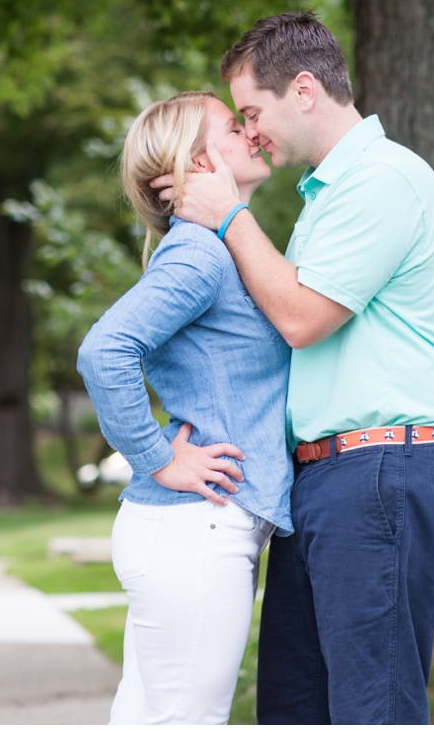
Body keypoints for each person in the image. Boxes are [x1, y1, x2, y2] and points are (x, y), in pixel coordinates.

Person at [158, 12, 434, 726]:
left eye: (252, 111)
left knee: (372, 710)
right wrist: (175, 438)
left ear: (304, 89)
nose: (249, 131)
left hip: (383, 472)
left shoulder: (385, 178)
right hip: (325, 479)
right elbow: (261, 340)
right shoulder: (321, 200)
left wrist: (228, 215)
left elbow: (301, 318)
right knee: (295, 709)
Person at [77, 91, 294, 726]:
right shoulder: (200, 253)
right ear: (198, 162)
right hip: (195, 528)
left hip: (192, 531)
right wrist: (157, 457)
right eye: (234, 126)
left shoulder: (218, 247)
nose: (251, 132)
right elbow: (104, 351)